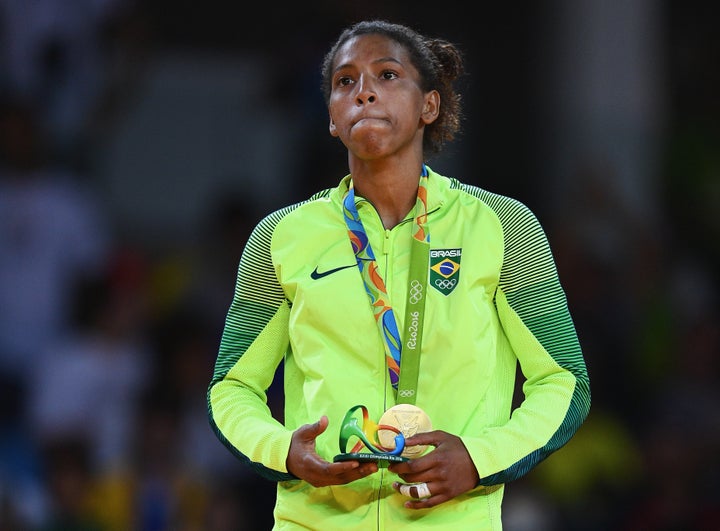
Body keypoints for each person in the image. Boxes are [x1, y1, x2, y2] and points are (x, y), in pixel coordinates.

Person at [207, 19, 591, 530]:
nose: (364, 92)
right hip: (315, 520)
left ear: (428, 106)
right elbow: (230, 387)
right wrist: (284, 453)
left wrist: (479, 459)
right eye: (346, 82)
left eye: (387, 76)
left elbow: (563, 381)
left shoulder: (505, 227)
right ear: (331, 117)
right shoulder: (280, 237)